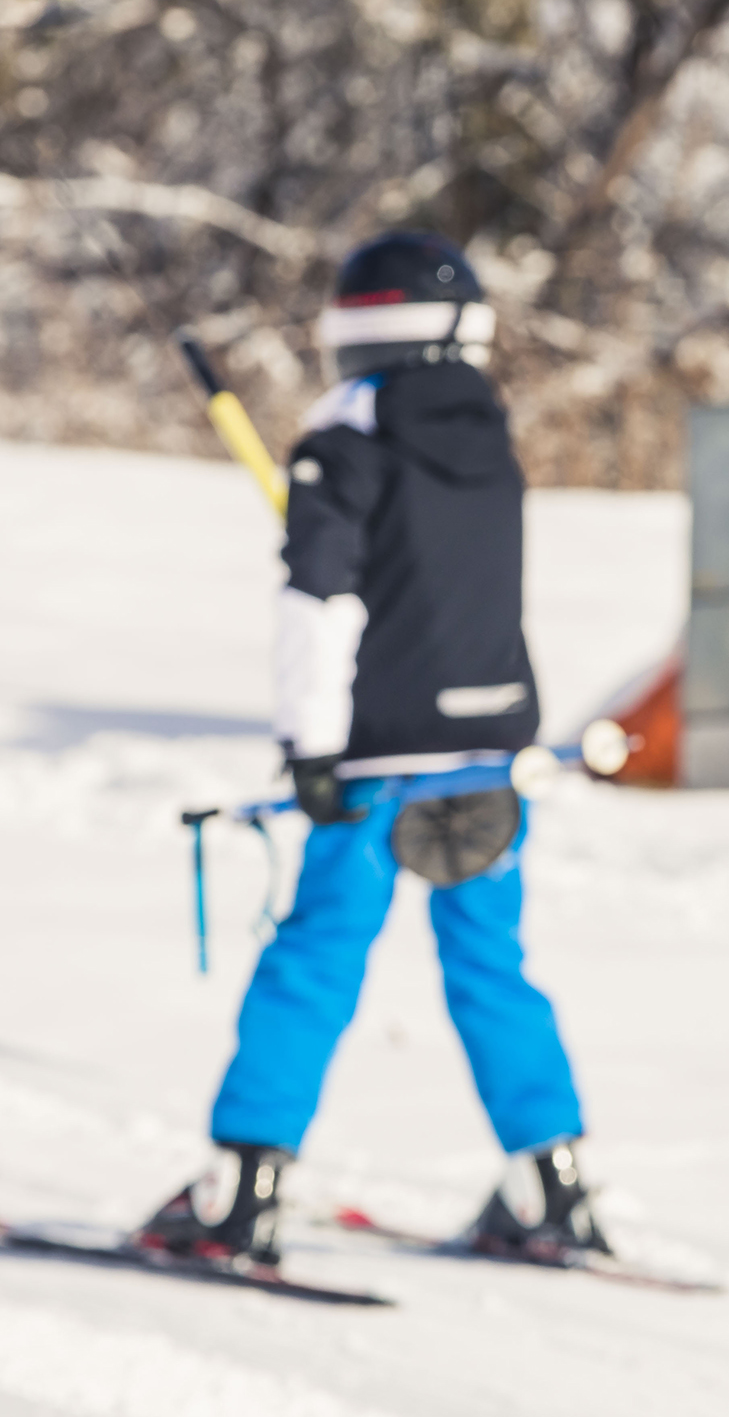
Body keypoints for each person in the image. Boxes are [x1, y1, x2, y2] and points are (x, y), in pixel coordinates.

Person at [143, 230, 612, 1267]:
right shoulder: (489, 434)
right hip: (492, 746)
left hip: (378, 757)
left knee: (316, 956)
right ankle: (551, 1180)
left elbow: (317, 603)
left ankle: (243, 1188)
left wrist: (311, 746)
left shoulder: (345, 435)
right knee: (491, 963)